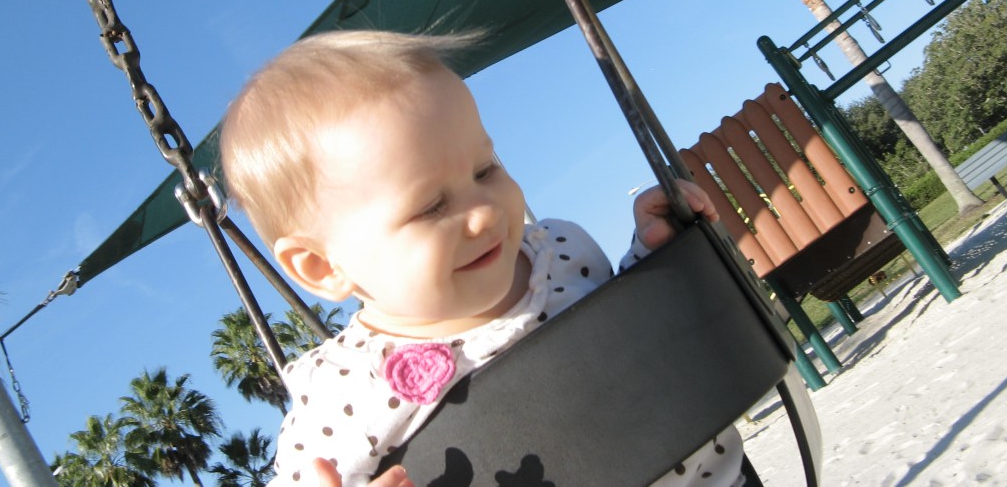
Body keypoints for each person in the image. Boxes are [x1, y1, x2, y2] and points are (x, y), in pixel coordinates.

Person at [219, 30, 745, 487]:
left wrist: (653, 251)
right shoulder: (342, 392)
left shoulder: (560, 249)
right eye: (431, 207)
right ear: (322, 267)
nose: (484, 213)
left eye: (485, 169)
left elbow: (633, 342)